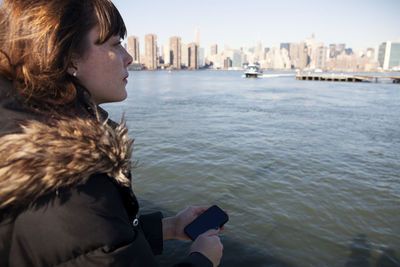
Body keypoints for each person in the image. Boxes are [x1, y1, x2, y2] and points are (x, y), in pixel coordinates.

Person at [0, 0, 224, 266]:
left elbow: (88, 249)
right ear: (70, 58)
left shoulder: (22, 133)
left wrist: (170, 227)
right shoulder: (71, 183)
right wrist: (202, 259)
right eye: (115, 44)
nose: (129, 57)